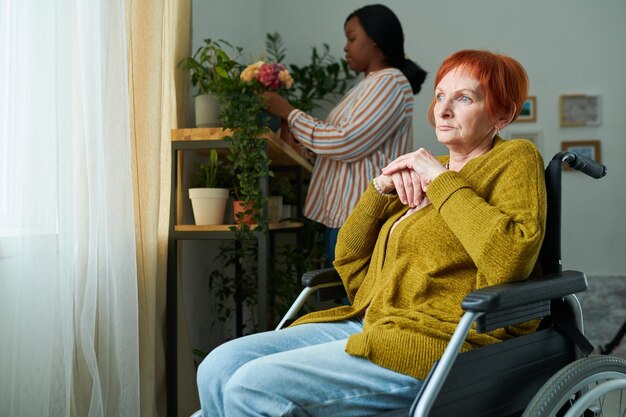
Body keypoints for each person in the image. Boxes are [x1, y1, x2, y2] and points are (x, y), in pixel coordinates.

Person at [196, 49, 547, 417]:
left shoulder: (513, 159)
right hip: (371, 322)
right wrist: (380, 188)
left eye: (464, 98)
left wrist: (440, 179)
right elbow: (348, 261)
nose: (442, 110)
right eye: (440, 96)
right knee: (217, 367)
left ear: (502, 115)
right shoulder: (424, 172)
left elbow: (510, 256)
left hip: (433, 341)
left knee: (250, 386)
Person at [264, 4, 427, 265]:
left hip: (363, 220)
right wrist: (292, 129)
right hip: (348, 218)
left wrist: (291, 113)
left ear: (374, 40)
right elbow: (334, 150)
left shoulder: (391, 82)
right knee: (345, 299)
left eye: (351, 38)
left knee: (354, 301)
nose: (345, 47)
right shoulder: (367, 86)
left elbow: (346, 142)